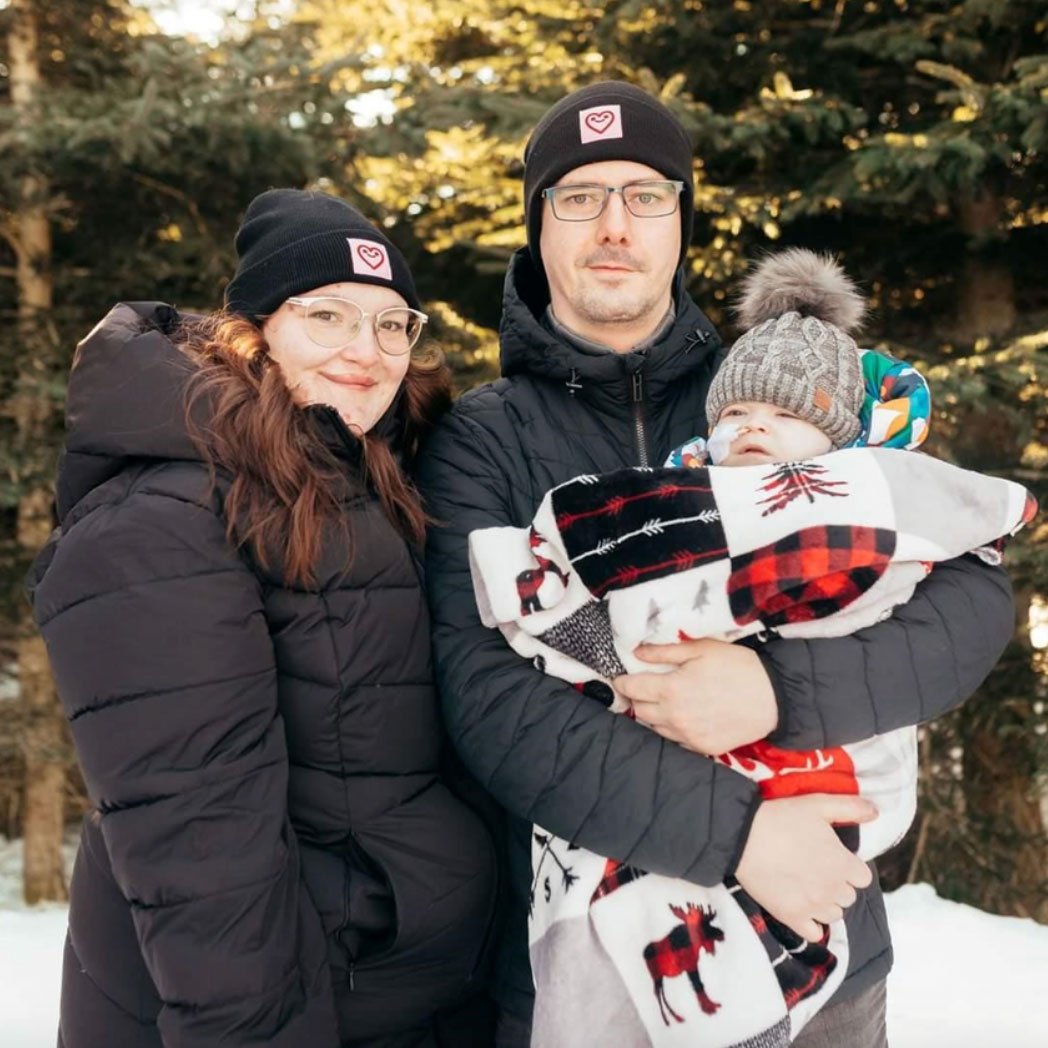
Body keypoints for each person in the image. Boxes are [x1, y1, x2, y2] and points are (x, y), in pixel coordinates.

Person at [415, 81, 1015, 1048]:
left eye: (646, 195)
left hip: (821, 940)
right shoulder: (480, 439)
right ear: (538, 225)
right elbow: (488, 696)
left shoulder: (777, 392)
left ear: (681, 220)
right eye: (579, 196)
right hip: (603, 970)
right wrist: (737, 833)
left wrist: (777, 691)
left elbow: (967, 593)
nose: (615, 224)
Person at [28, 189, 498, 1048]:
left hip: (394, 992)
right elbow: (206, 867)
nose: (367, 351)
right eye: (328, 316)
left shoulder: (368, 480)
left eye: (392, 324)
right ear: (254, 333)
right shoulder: (162, 520)